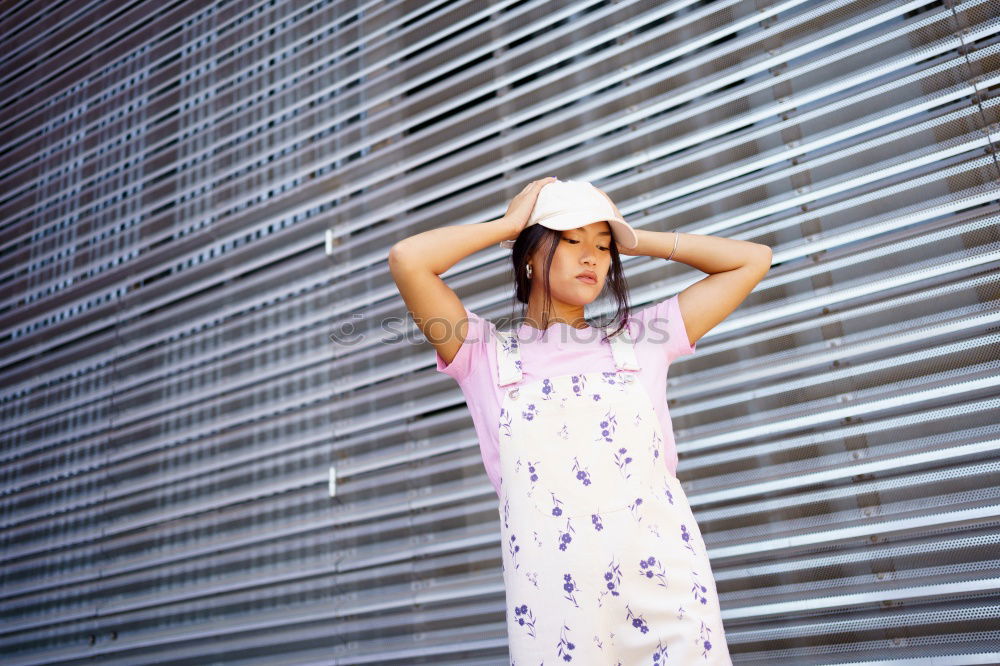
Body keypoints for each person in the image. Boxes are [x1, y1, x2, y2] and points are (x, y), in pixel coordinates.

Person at [388, 177, 771, 664]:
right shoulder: (483, 354)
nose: (592, 257)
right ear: (529, 252)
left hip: (666, 591)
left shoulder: (642, 339)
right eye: (571, 240)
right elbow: (407, 259)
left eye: (603, 247)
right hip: (556, 609)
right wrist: (507, 225)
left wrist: (632, 238)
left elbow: (752, 259)